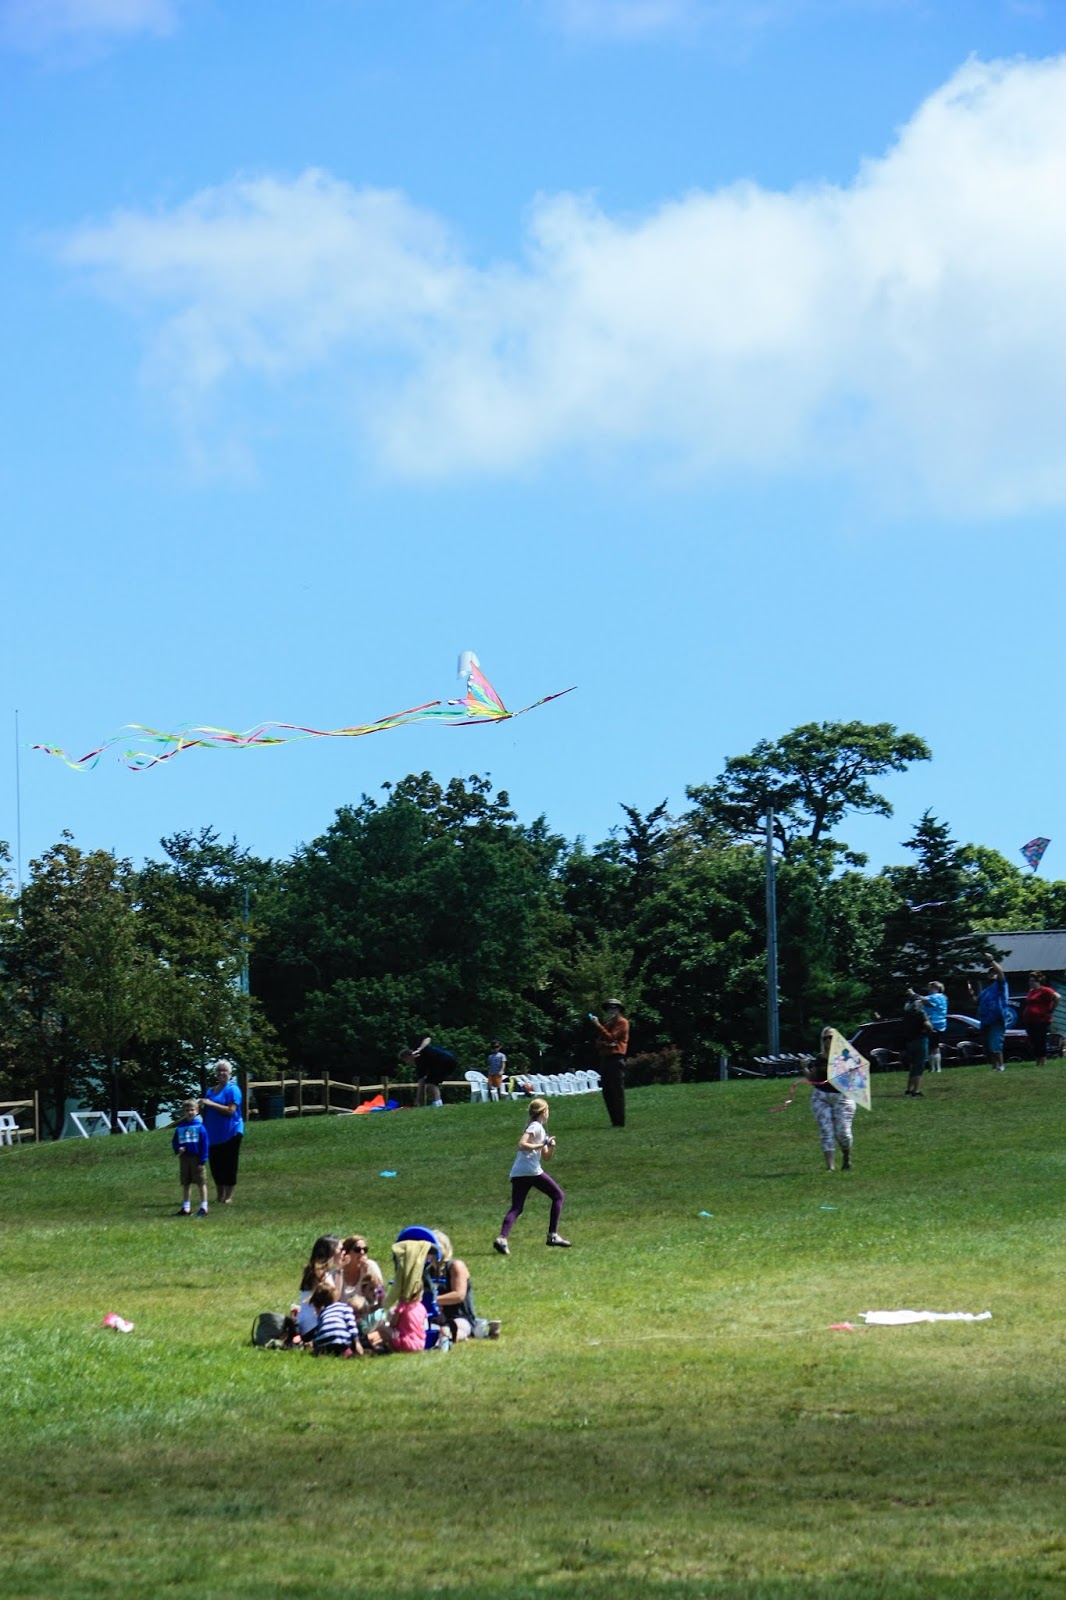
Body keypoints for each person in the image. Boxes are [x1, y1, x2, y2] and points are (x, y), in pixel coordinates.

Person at [493, 1097, 569, 1254]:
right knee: (558, 1196)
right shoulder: (535, 1126)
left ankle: (502, 1238)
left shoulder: (538, 1128)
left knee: (517, 1207)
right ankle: (552, 1235)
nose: (548, 1114)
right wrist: (542, 1144)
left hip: (518, 1172)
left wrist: (550, 1146)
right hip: (531, 1171)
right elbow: (521, 1144)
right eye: (547, 1111)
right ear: (543, 1112)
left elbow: (546, 1156)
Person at [804, 1028, 855, 1170]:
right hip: (821, 1097)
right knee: (826, 1131)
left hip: (841, 1098)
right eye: (825, 1038)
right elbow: (813, 1079)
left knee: (843, 1133)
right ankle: (830, 1167)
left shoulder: (845, 1056)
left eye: (830, 1037)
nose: (827, 1041)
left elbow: (853, 1080)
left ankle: (846, 1156)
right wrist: (804, 1068)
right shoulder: (819, 1059)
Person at [201, 1058, 244, 1203]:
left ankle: (228, 1196)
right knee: (216, 1165)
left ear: (230, 1073)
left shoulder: (233, 1089)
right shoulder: (210, 1091)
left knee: (229, 1164)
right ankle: (219, 1195)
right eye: (219, 1070)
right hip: (213, 1134)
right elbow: (205, 1110)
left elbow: (231, 1111)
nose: (221, 1073)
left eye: (224, 1070)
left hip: (231, 1132)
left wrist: (211, 1104)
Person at [338, 1235, 387, 1340]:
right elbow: (334, 1300)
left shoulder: (371, 1266)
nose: (362, 1253)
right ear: (347, 1253)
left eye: (365, 1249)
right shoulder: (338, 1272)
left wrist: (367, 1276)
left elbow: (381, 1293)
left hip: (369, 1316)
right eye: (357, 1250)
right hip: (346, 1319)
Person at [590, 998, 629, 1127]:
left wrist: (598, 1025)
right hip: (606, 1059)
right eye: (609, 1008)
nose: (611, 1010)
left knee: (617, 1091)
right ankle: (614, 1121)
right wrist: (607, 1043)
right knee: (607, 1091)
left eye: (614, 1008)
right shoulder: (608, 1024)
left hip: (616, 1059)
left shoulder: (622, 1022)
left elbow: (611, 1037)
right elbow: (599, 1042)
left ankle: (620, 1121)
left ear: (619, 1010)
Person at [296, 1235, 343, 1338]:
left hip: (309, 1326)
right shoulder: (319, 1273)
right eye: (340, 1249)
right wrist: (340, 1269)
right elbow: (335, 1298)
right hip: (314, 1327)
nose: (343, 1252)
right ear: (332, 1250)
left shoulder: (319, 1271)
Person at [171, 1097, 209, 1216]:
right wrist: (178, 1149)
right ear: (184, 1112)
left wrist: (202, 1161)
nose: (190, 1112)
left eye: (192, 1109)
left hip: (196, 1158)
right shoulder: (180, 1128)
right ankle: (186, 1207)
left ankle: (204, 1207)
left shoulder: (200, 1127)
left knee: (201, 1182)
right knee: (186, 1182)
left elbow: (204, 1144)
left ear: (197, 1111)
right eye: (187, 1110)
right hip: (184, 1158)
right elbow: (175, 1142)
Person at [398, 1036, 457, 1107]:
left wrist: (420, 1049)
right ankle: (437, 1103)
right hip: (449, 1061)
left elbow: (428, 1038)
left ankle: (437, 1104)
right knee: (431, 1082)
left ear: (407, 1057)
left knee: (431, 1082)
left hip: (445, 1060)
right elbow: (421, 1082)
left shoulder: (419, 1051)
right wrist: (418, 1099)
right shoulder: (419, 1063)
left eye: (405, 1061)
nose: (407, 1063)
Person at [973, 958, 1010, 1071]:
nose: (991, 975)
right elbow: (977, 1001)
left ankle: (1001, 1065)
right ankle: (994, 1066)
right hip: (985, 1020)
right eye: (990, 973)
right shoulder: (985, 991)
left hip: (997, 1019)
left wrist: (992, 960)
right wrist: (972, 995)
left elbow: (1001, 972)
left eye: (993, 973)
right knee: (988, 1045)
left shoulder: (1000, 985)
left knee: (995, 1044)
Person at [309, 1283, 362, 1357]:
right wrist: (357, 1342)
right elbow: (351, 1325)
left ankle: (324, 1353)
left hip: (324, 1344)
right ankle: (347, 1353)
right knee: (345, 1347)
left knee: (327, 1348)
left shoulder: (323, 1313)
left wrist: (314, 1344)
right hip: (340, 1340)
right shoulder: (345, 1307)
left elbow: (318, 1331)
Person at [1021, 971, 1061, 1067]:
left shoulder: (1045, 990)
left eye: (1033, 981)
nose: (1031, 983)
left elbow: (1057, 997)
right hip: (1030, 1020)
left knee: (1040, 1040)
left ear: (1039, 982)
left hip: (1041, 1020)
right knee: (1033, 1041)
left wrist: (1051, 1009)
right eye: (1030, 981)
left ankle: (1042, 1061)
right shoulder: (1031, 992)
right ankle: (1037, 1060)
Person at [909, 981, 947, 1072]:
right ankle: (933, 1068)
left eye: (930, 987)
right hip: (937, 1024)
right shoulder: (941, 997)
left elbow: (925, 1001)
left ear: (936, 988)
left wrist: (913, 994)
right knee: (932, 1046)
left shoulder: (938, 996)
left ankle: (936, 1068)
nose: (928, 989)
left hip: (935, 1024)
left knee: (934, 1046)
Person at [901, 998, 932, 1098]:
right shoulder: (920, 1013)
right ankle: (916, 1090)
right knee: (919, 1066)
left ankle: (909, 1089)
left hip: (909, 1042)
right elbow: (927, 1025)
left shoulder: (906, 1015)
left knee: (913, 1066)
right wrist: (929, 1030)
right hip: (920, 1040)